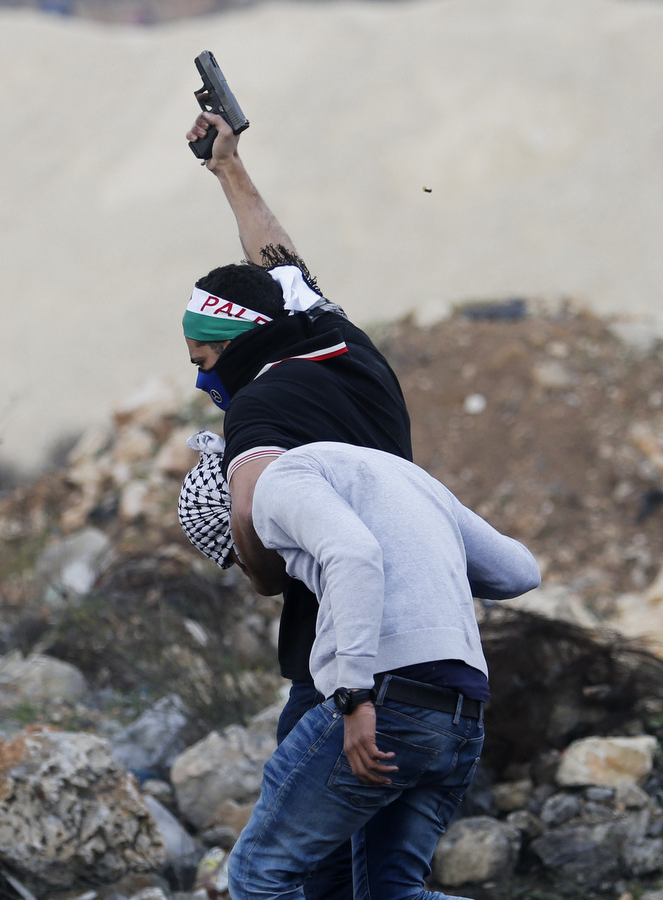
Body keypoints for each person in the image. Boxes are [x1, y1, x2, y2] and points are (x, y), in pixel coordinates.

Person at [179, 109, 414, 897]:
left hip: (338, 670)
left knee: (278, 878)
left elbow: (253, 521)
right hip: (428, 655)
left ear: (238, 345)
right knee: (385, 886)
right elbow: (276, 259)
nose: (203, 378)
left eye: (205, 358)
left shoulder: (260, 408)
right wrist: (229, 168)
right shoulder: (337, 338)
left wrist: (243, 553)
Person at [176, 438, 539, 900]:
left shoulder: (273, 485)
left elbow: (353, 555)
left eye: (240, 558)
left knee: (257, 875)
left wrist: (354, 696)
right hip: (461, 714)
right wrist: (427, 562)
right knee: (391, 892)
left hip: (387, 703)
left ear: (237, 522)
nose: (260, 572)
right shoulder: (400, 476)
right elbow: (518, 571)